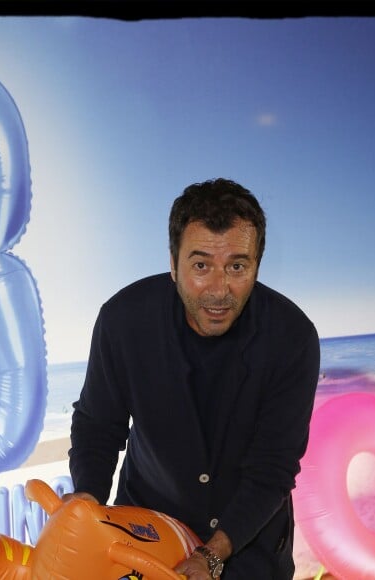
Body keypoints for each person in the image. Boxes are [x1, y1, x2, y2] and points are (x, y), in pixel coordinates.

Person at [67, 178, 320, 579]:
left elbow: (272, 468)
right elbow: (98, 427)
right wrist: (87, 500)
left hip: (249, 543)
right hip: (147, 529)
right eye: (201, 266)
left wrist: (212, 555)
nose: (219, 290)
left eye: (237, 266)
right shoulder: (123, 321)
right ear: (173, 263)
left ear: (256, 265)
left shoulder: (293, 337)